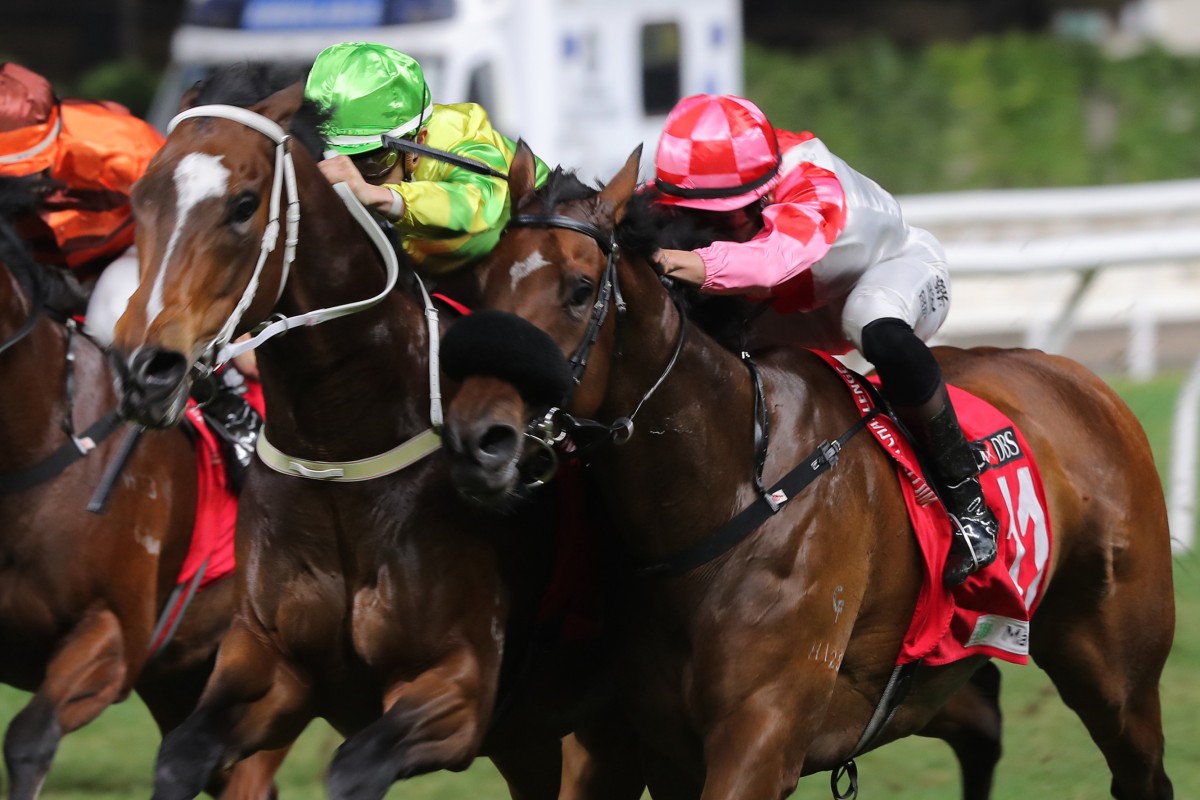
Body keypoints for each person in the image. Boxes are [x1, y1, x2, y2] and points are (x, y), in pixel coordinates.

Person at [647, 94, 998, 587]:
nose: (706, 229)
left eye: (723, 218)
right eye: (692, 215)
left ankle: (967, 497)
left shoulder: (812, 183)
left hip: (888, 274)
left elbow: (769, 261)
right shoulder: (699, 183)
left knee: (872, 322)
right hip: (787, 305)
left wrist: (667, 260)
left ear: (766, 191)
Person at [0, 62, 262, 480]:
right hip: (38, 263)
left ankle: (228, 408)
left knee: (110, 318)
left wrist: (238, 324)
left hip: (131, 253)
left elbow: (193, 225)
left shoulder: (123, 145)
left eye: (25, 163)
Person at [303, 42, 549, 276]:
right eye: (335, 157)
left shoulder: (463, 132)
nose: (350, 177)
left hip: (536, 244)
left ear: (418, 141)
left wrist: (376, 195)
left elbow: (479, 206)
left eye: (370, 162)